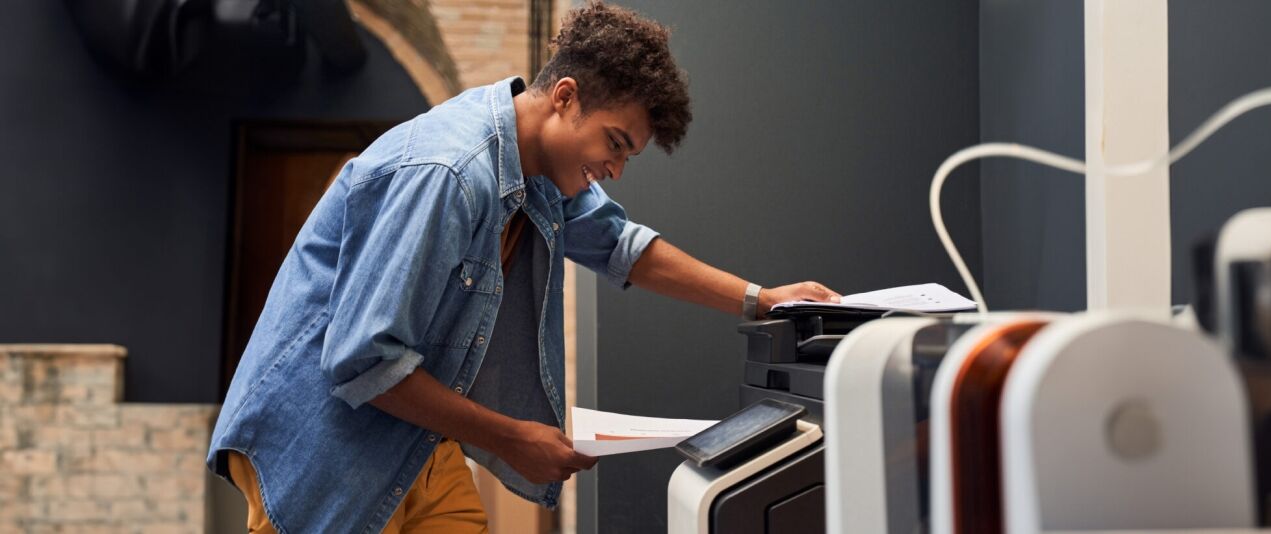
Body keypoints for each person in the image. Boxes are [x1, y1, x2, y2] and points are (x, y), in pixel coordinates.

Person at [206, 2, 841, 532]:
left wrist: (761, 299)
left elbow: (622, 246)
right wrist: (512, 437)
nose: (616, 170)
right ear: (566, 97)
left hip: (408, 433)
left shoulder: (542, 173)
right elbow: (362, 359)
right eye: (615, 144)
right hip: (324, 441)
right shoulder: (449, 173)